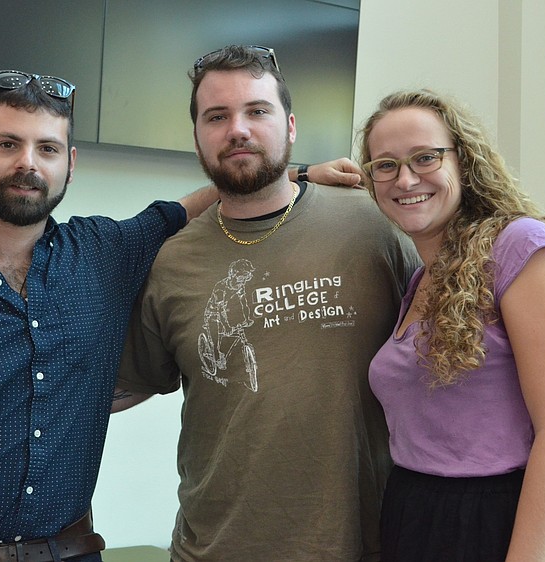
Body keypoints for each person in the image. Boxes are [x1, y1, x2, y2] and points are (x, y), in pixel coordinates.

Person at [0, 69, 360, 562]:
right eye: (8, 144)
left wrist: (297, 173)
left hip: (72, 551)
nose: (28, 164)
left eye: (48, 148)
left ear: (70, 164)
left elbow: (187, 206)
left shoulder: (104, 251)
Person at [113, 45, 420, 561]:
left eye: (257, 111)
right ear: (197, 137)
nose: (238, 129)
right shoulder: (171, 261)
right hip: (212, 549)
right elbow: (128, 385)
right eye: (217, 116)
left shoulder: (374, 228)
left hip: (360, 546)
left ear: (291, 126)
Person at [358, 89, 545, 561]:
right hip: (414, 513)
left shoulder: (522, 248)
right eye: (385, 165)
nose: (405, 179)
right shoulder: (422, 278)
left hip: (498, 522)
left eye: (425, 157)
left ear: (463, 161)